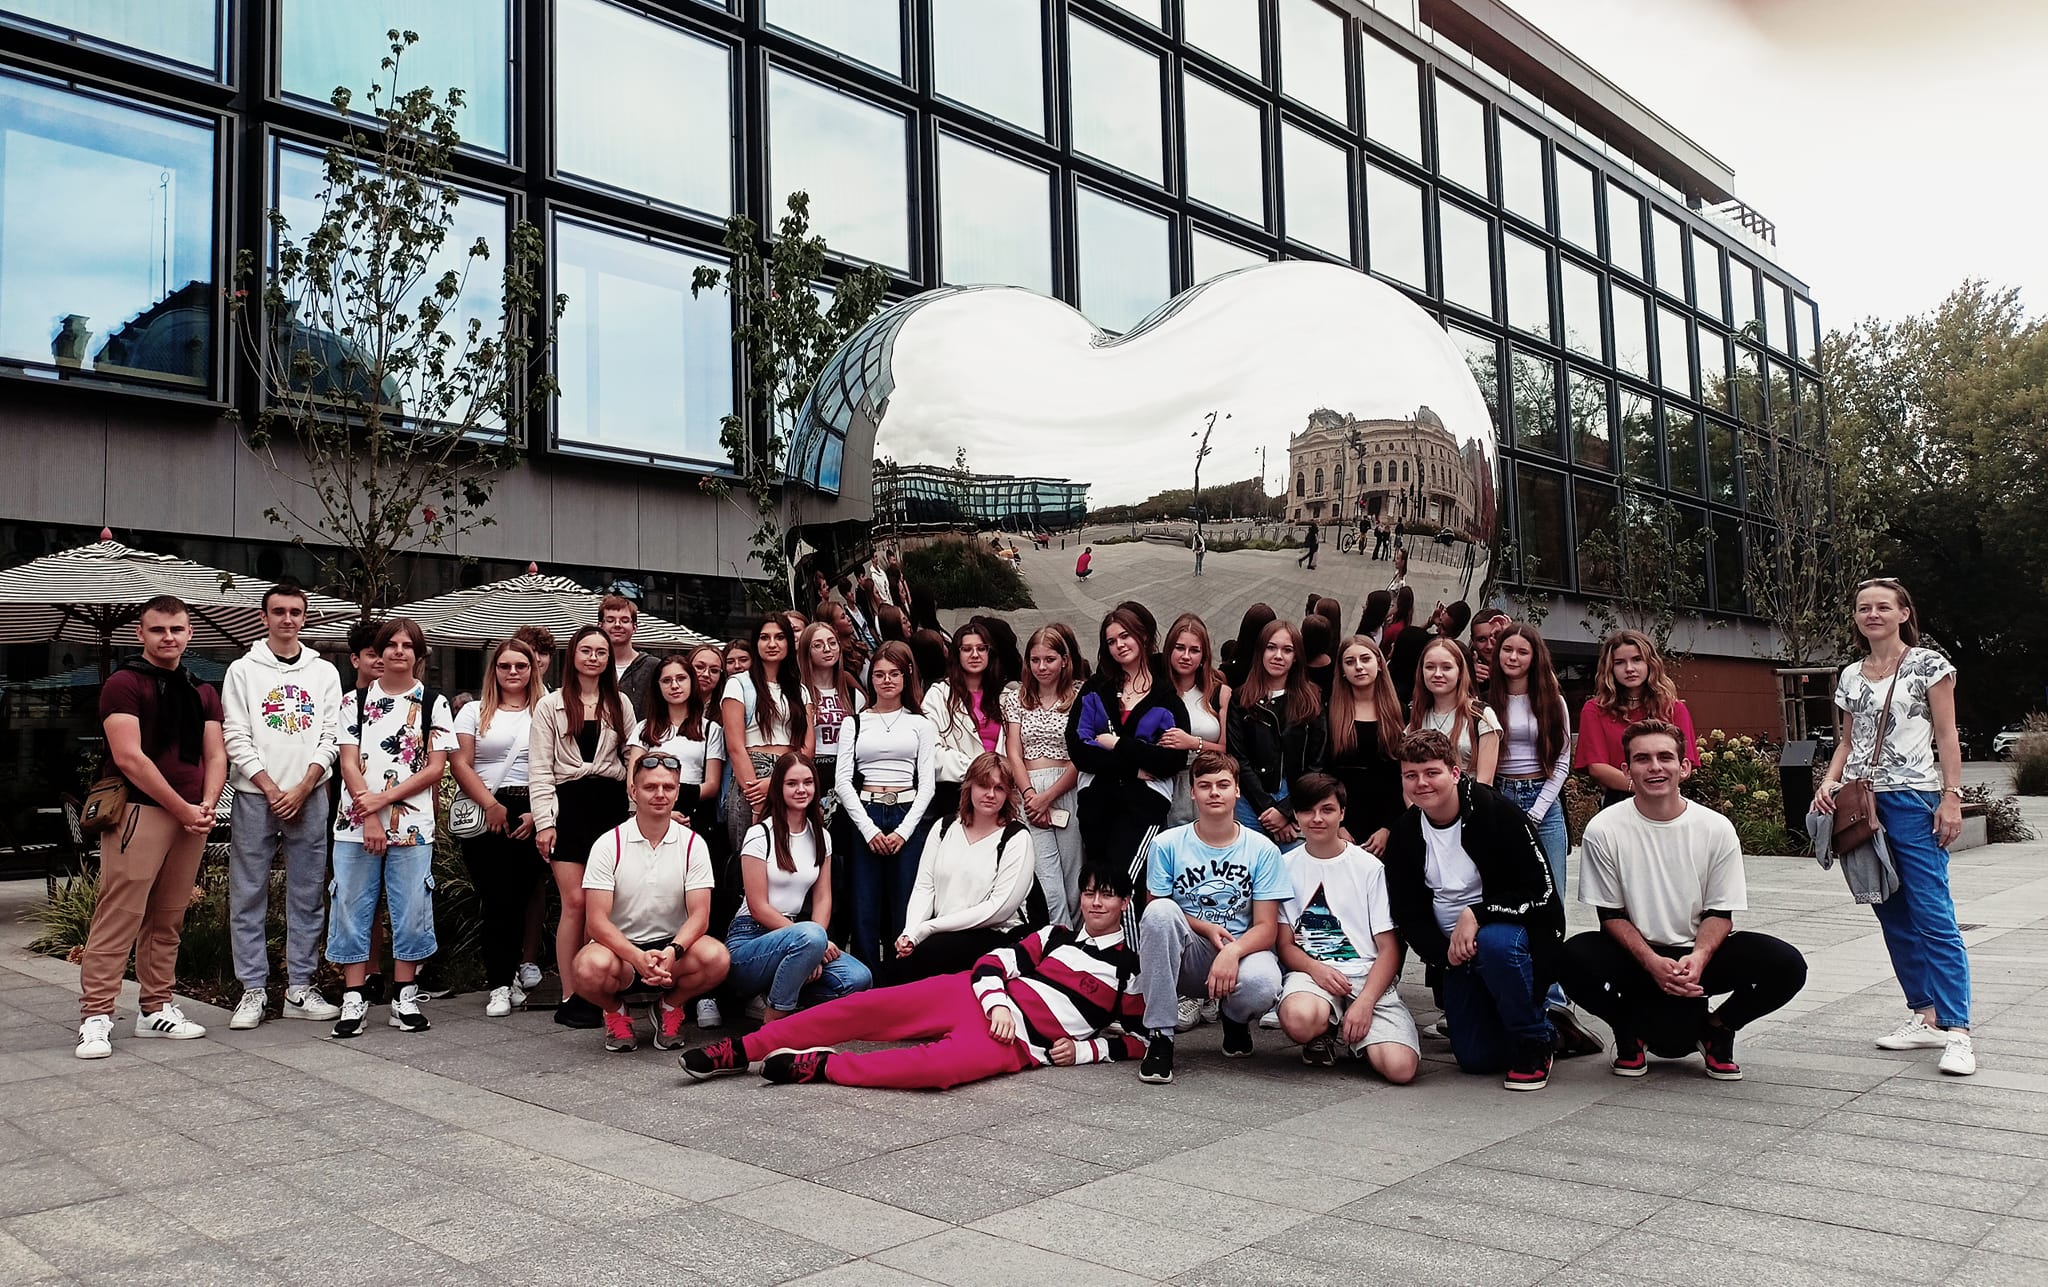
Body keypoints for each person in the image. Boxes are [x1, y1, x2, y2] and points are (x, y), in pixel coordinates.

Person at [680, 864, 1145, 1088]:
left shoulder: (1129, 969)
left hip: (1018, 1043)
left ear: (1124, 903)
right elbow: (992, 964)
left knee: (936, 1071)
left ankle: (822, 1066)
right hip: (974, 995)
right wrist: (998, 1002)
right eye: (1089, 894)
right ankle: (742, 1050)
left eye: (1106, 896)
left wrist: (1087, 1051)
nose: (1095, 903)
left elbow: (1143, 1039)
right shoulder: (1056, 935)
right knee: (863, 1007)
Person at [1562, 720, 1808, 1080]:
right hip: (1637, 957)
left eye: (1665, 757)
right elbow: (1610, 916)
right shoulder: (1604, 829)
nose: (1655, 767)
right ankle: (1628, 1029)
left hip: (1697, 956)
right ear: (1626, 770)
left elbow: (1720, 912)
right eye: (1642, 759)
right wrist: (1652, 963)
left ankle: (1718, 1029)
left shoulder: (1715, 828)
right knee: (1569, 958)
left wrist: (1698, 958)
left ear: (1685, 767)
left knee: (1787, 965)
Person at [1812, 577, 1975, 1076]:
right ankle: (1924, 1015)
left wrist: (1951, 797)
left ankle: (1958, 1030)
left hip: (1913, 799)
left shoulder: (1928, 664)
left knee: (1933, 913)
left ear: (1904, 613)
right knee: (1890, 911)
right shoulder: (1850, 674)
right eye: (1864, 608)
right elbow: (1847, 741)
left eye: (1883, 606)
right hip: (1862, 801)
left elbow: (1947, 735)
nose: (1873, 614)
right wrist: (1829, 781)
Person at [74, 597, 227, 1059]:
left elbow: (215, 753)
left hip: (192, 815)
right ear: (140, 633)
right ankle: (96, 1016)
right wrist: (183, 808)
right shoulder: (124, 683)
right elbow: (129, 758)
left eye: (177, 629)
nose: (168, 637)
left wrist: (207, 804)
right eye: (158, 629)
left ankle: (156, 1006)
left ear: (190, 633)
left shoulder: (201, 689)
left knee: (169, 916)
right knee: (120, 913)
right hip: (140, 811)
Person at [1381, 730, 1562, 1090]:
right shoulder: (1405, 833)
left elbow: (1542, 891)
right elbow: (1407, 912)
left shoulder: (1496, 812)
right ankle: (1542, 1026)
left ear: (1455, 772)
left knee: (1496, 945)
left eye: (1431, 772)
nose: (1421, 783)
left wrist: (1479, 913)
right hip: (1456, 953)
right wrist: (1443, 954)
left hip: (1510, 934)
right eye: (1411, 775)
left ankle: (1534, 1039)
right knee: (1476, 1060)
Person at [221, 583, 342, 1030]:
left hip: (309, 795)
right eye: (279, 611)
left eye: (295, 612)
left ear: (304, 618)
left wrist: (306, 784)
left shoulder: (324, 672)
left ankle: (300, 987)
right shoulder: (242, 670)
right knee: (248, 892)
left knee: (308, 894)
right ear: (264, 617)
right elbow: (235, 735)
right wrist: (271, 789)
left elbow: (332, 734)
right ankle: (253, 989)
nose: (287, 619)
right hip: (256, 795)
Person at [328, 618, 456, 1039]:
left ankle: (405, 994)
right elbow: (348, 762)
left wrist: (384, 800)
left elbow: (434, 768)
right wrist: (369, 814)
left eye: (407, 645)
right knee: (351, 906)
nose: (399, 651)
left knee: (412, 909)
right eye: (391, 644)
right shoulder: (354, 701)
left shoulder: (434, 702)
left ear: (418, 654)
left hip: (412, 824)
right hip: (355, 823)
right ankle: (354, 995)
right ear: (379, 652)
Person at [1134, 753, 1289, 1084]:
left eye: (1223, 785)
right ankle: (1160, 1035)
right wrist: (1205, 927)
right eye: (1204, 785)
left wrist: (1232, 952)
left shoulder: (1262, 849)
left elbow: (1266, 929)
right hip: (1189, 950)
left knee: (1263, 983)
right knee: (1159, 914)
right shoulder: (1166, 844)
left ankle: (1234, 1018)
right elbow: (1156, 910)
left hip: (1239, 950)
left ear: (1237, 791)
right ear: (1192, 792)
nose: (1214, 792)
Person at [1486, 621, 1594, 1053]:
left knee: (1552, 904)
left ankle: (1554, 998)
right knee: (1503, 898)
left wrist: (1536, 810)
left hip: (1542, 803)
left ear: (1534, 657)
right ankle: (1513, 989)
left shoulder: (1552, 699)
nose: (1513, 658)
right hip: (1500, 796)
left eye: (1522, 651)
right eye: (1506, 650)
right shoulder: (1486, 700)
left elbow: (1562, 760)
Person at [576, 754, 731, 1052]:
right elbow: (596, 921)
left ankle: (670, 1006)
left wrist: (673, 951)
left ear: (677, 792)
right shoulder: (608, 844)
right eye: (650, 787)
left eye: (668, 787)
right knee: (587, 968)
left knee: (717, 958)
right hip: (620, 951)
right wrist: (636, 957)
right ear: (634, 791)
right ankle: (615, 1012)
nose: (660, 794)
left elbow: (700, 915)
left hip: (672, 949)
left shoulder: (693, 843)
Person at [1274, 774, 1419, 1083]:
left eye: (1327, 810)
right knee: (1298, 1019)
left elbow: (1389, 949)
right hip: (1314, 973)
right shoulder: (1284, 867)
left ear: (1342, 813)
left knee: (1401, 1069)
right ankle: (1324, 1029)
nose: (1317, 819)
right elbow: (1285, 944)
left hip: (1367, 976)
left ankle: (1360, 1037)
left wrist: (1365, 1002)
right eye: (1307, 810)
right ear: (1296, 816)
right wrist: (1315, 968)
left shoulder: (1369, 867)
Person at [530, 625, 636, 1029]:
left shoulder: (620, 703)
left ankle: (600, 989)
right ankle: (571, 993)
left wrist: (634, 813)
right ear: (573, 655)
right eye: (586, 650)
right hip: (569, 807)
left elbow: (632, 760)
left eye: (601, 652)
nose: (594, 658)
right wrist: (544, 822)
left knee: (604, 904)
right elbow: (540, 769)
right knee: (574, 902)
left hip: (610, 807)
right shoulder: (550, 705)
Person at [726, 754, 871, 1020]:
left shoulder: (821, 836)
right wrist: (812, 943)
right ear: (778, 788)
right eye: (792, 783)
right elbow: (758, 907)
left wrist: (815, 946)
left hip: (799, 936)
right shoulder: (760, 834)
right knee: (811, 936)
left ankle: (776, 996)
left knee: (858, 978)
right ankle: (775, 1019)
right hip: (750, 938)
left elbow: (823, 897)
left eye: (807, 782)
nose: (801, 789)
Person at [1068, 607, 1188, 921]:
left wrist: (1117, 743)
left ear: (1143, 636)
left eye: (1125, 636)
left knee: (1126, 884)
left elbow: (1171, 759)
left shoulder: (1166, 697)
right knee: (1098, 885)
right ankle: (1103, 949)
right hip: (1097, 804)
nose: (1119, 645)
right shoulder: (1096, 689)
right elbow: (1080, 750)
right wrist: (1132, 766)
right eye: (1111, 641)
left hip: (1143, 807)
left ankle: (1133, 951)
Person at [451, 638, 544, 1018]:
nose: (512, 672)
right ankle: (500, 984)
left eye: (520, 665)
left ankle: (512, 974)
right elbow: (460, 763)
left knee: (522, 896)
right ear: (494, 670)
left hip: (532, 807)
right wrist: (490, 805)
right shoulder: (473, 711)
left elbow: (557, 764)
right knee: (495, 898)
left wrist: (540, 813)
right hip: (486, 805)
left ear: (532, 669)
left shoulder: (546, 708)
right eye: (505, 665)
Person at [888, 752, 1036, 983]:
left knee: (927, 956)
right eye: (983, 785)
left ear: (1008, 794)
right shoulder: (944, 827)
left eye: (999, 788)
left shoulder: (1016, 837)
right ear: (969, 787)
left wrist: (929, 928)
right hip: (941, 931)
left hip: (995, 935)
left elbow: (999, 908)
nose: (990, 794)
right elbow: (925, 887)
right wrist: (910, 932)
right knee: (896, 963)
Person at [834, 642, 938, 967]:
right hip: (866, 811)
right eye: (879, 674)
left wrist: (904, 832)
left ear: (907, 676)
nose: (887, 680)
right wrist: (868, 829)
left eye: (894, 673)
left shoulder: (921, 724)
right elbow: (842, 781)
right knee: (863, 904)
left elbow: (927, 785)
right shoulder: (854, 722)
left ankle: (900, 978)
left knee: (905, 902)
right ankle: (864, 979)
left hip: (906, 811)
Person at [1002, 626, 1084, 926]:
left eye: (1049, 659)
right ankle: (1057, 937)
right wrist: (1029, 795)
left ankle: (1077, 938)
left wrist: (1049, 796)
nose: (1042, 667)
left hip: (1066, 786)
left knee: (1073, 873)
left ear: (1064, 660)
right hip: (1030, 788)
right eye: (1035, 660)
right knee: (1046, 877)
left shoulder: (1079, 696)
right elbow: (1014, 751)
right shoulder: (1016, 699)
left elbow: (1082, 753)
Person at [720, 614, 814, 856]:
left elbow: (808, 747)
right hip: (751, 773)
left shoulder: (800, 690)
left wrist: (778, 782)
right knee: (753, 853)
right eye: (764, 637)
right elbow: (735, 747)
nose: (772, 644)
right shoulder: (738, 684)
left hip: (792, 772)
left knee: (793, 853)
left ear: (789, 643)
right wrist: (757, 797)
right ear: (756, 643)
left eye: (779, 637)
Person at [1227, 619, 1327, 845]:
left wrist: (1286, 810)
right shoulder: (1241, 698)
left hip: (1297, 797)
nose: (1278, 656)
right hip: (1250, 798)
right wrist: (1267, 808)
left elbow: (1318, 762)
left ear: (1296, 656)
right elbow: (1238, 758)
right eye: (1271, 647)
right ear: (1260, 651)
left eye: (1287, 650)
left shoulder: (1312, 699)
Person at [1574, 629, 1699, 808]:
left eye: (1637, 659)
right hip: (1618, 801)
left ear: (1650, 663)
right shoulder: (1595, 709)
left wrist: (1653, 786)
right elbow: (1597, 767)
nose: (1629, 669)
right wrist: (1641, 786)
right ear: (1610, 668)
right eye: (1619, 662)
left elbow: (1684, 765)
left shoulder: (1674, 709)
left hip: (1666, 799)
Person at [1324, 636, 1404, 856]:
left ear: (1379, 663)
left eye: (1365, 659)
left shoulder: (1400, 713)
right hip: (1343, 822)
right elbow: (1325, 772)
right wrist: (1338, 824)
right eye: (1350, 662)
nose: (1358, 667)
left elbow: (1402, 775)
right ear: (1342, 670)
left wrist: (1388, 827)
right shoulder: (1330, 714)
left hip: (1388, 822)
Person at [923, 622, 1006, 827]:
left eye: (981, 648)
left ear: (989, 653)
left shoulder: (1006, 696)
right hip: (955, 794)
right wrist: (980, 770)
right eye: (967, 649)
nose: (975, 654)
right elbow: (931, 751)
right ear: (956, 654)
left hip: (1001, 793)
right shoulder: (939, 695)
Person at [1160, 614, 1231, 829]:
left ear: (1204, 655)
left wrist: (1193, 743)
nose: (1186, 656)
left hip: (1209, 782)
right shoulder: (1156, 690)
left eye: (1194, 650)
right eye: (1180, 648)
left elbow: (1227, 749)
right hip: (1166, 783)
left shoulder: (1219, 692)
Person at [1408, 636, 1501, 784]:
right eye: (1430, 667)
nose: (1437, 674)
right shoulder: (1416, 714)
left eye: (1446, 667)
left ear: (1460, 672)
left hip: (1468, 796)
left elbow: (1485, 782)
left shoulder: (1481, 715)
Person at [799, 620, 864, 823]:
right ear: (807, 652)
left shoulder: (854, 695)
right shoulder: (799, 694)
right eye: (818, 645)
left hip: (846, 771)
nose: (827, 649)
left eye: (832, 643)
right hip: (813, 770)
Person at [602, 593, 658, 724]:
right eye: (610, 620)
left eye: (625, 620)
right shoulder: (593, 665)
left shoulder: (653, 667)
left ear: (635, 627)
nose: (617, 625)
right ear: (600, 625)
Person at [1469, 609, 1513, 686]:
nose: (1489, 646)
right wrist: (1467, 677)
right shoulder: (1462, 669)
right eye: (1482, 639)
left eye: (1496, 637)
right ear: (1473, 641)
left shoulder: (1525, 670)